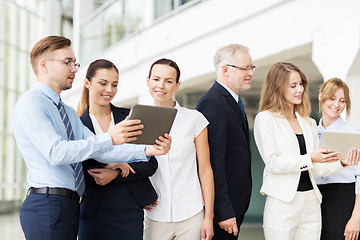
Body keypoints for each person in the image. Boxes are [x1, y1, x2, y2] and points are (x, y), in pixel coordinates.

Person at [12, 36, 171, 240]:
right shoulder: (31, 103)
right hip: (47, 204)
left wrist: (149, 150)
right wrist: (110, 137)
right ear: (44, 65)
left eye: (75, 63)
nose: (74, 69)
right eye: (67, 62)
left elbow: (103, 151)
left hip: (69, 205)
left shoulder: (67, 113)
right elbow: (56, 152)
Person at [253, 62, 360, 240]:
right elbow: (273, 164)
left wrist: (341, 163)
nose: (300, 89)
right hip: (283, 203)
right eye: (293, 85)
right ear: (278, 88)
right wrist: (310, 158)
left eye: (301, 84)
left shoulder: (308, 122)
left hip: (311, 203)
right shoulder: (266, 119)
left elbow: (316, 169)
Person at [76, 59, 158, 240]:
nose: (109, 90)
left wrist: (115, 173)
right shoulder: (77, 124)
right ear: (87, 83)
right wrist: (109, 168)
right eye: (103, 83)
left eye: (114, 85)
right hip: (93, 210)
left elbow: (151, 163)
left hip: (128, 208)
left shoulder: (131, 117)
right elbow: (76, 166)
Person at [143, 58, 214, 240]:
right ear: (148, 81)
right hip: (153, 214)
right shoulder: (136, 120)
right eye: (156, 79)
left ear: (177, 85)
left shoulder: (194, 119)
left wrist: (208, 217)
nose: (161, 86)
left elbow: (205, 169)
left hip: (191, 213)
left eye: (168, 81)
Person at [196, 43, 253, 240]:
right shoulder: (212, 103)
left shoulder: (234, 101)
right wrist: (223, 210)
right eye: (245, 68)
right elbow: (212, 162)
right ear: (225, 70)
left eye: (251, 68)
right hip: (224, 211)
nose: (250, 73)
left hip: (236, 204)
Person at [316, 78, 360, 240]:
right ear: (321, 96)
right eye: (332, 98)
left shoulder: (355, 134)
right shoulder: (309, 133)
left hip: (344, 200)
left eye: (342, 101)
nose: (337, 105)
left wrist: (356, 218)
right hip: (313, 200)